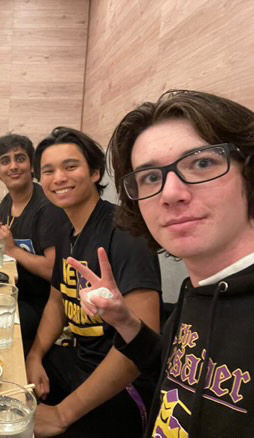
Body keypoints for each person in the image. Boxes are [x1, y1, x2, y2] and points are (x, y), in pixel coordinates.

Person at [69, 90, 254, 437]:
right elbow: (175, 373)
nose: (171, 193)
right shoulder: (198, 290)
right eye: (151, 177)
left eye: (201, 163)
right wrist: (124, 320)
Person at [27, 127, 162, 437]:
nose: (58, 177)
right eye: (48, 171)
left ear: (95, 172)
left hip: (125, 387)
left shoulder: (125, 233)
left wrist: (62, 413)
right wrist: (34, 355)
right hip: (79, 361)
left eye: (70, 166)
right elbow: (57, 300)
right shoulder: (65, 230)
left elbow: (143, 341)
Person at [0, 133, 69, 352]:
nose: (13, 166)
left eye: (20, 158)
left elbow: (55, 270)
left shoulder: (48, 207)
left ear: (32, 166)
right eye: (5, 161)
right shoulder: (8, 202)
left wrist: (11, 249)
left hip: (42, 307)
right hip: (11, 292)